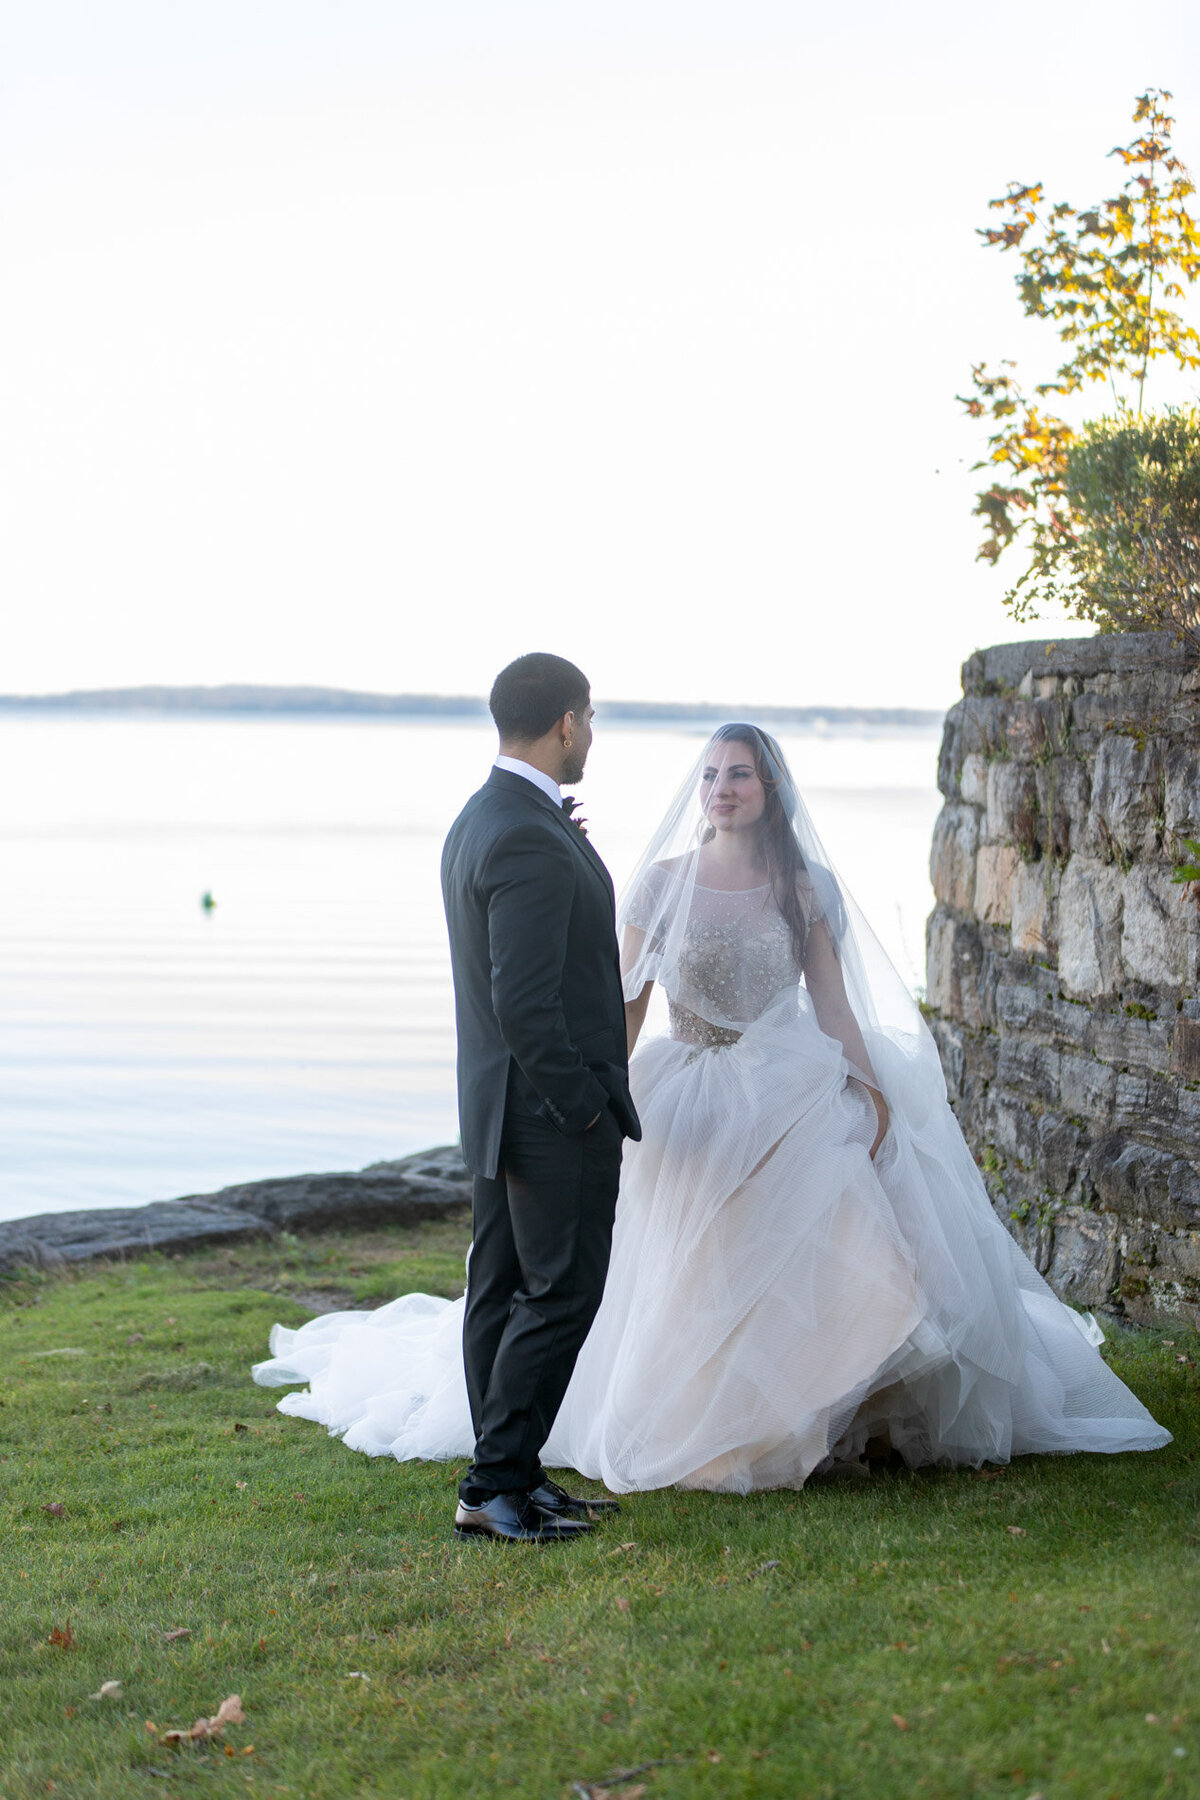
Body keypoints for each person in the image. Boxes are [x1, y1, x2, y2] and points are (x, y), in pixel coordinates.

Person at [254, 723, 1169, 1494]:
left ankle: (832, 1414)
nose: (720, 789)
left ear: (770, 790)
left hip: (785, 1082)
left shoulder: (802, 887)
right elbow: (624, 1007)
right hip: (684, 1086)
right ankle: (710, 1425)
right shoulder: (662, 882)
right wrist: (588, 1097)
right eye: (710, 776)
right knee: (689, 1266)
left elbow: (832, 1003)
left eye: (738, 775)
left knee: (846, 1239)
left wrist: (869, 1086)